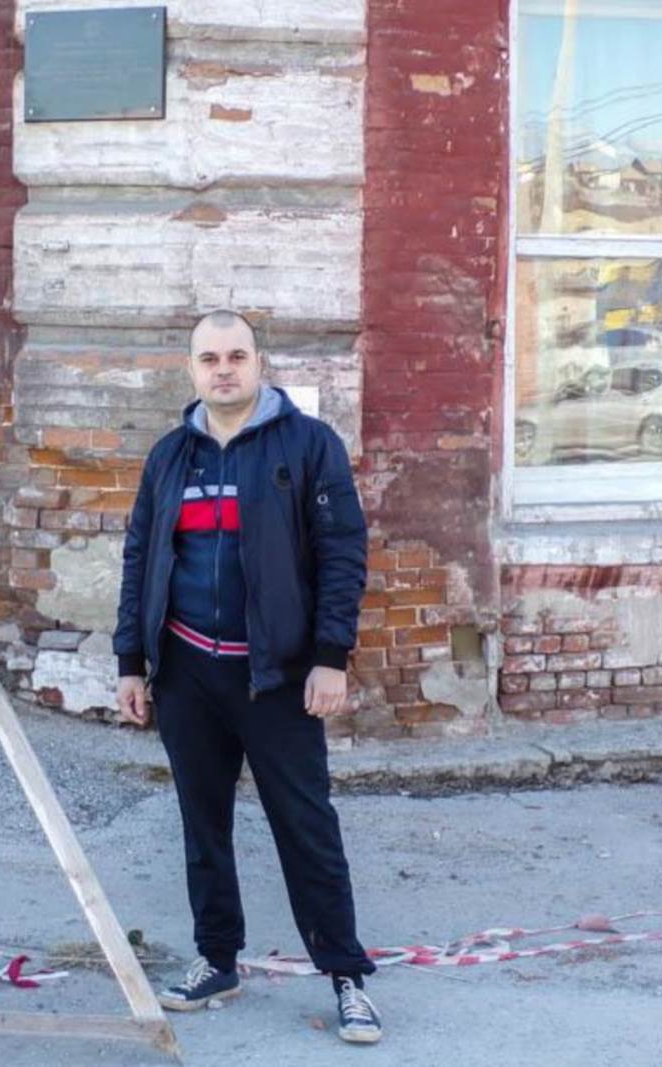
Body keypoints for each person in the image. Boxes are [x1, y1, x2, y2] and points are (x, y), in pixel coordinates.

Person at [113, 309, 382, 1044]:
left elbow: (342, 555)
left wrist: (331, 656)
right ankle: (217, 960)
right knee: (203, 825)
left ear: (260, 363)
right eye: (210, 358)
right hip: (187, 674)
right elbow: (141, 557)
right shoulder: (170, 455)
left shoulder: (309, 445)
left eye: (236, 355)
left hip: (278, 678)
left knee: (306, 827)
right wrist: (131, 662)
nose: (224, 369)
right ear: (192, 369)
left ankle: (347, 976)